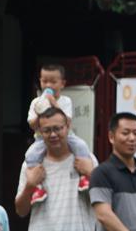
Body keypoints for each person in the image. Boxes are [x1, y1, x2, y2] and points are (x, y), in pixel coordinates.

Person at [24, 63, 93, 204]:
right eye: (44, 81)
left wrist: (52, 102)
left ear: (62, 84)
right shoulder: (36, 102)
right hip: (41, 139)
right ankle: (38, 188)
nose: (48, 85)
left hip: (66, 137)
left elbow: (66, 122)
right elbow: (32, 124)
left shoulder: (65, 101)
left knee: (81, 145)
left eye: (53, 81)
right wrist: (39, 112)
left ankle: (83, 178)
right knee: (30, 155)